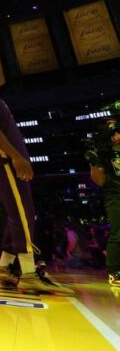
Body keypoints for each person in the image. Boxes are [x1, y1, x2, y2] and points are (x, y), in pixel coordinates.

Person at [0, 64, 56, 292]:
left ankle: (4, 267)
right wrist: (15, 156)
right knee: (22, 213)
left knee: (15, 215)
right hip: (4, 161)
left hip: (5, 161)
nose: (0, 71)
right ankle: (28, 273)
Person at [87, 115, 120, 286]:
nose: (116, 136)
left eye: (117, 131)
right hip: (116, 195)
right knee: (119, 231)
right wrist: (93, 162)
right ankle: (114, 272)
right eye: (112, 133)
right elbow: (99, 181)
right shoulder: (103, 153)